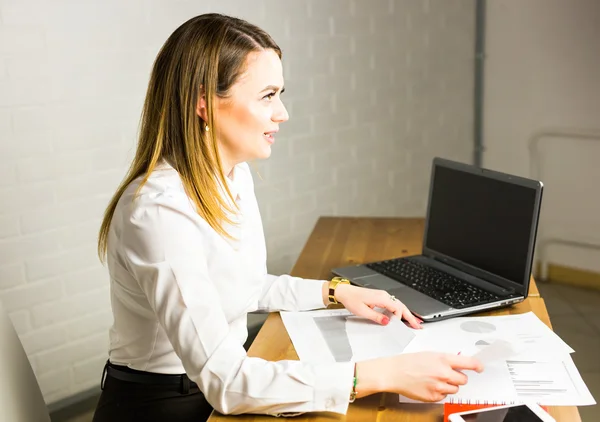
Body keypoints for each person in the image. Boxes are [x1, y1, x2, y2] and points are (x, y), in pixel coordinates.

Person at [92, 13, 483, 422]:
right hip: (162, 405)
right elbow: (227, 382)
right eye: (267, 96)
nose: (282, 113)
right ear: (203, 102)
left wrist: (336, 293)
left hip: (216, 387)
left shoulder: (232, 173)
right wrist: (381, 374)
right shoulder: (157, 212)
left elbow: (241, 285)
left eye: (280, 94)